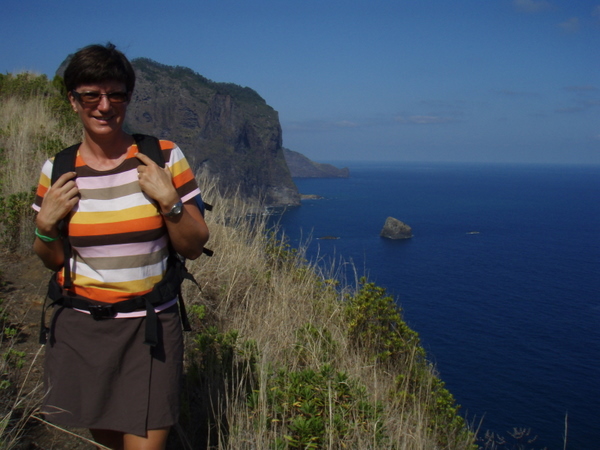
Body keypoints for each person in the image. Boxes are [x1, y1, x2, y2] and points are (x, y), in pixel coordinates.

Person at [32, 43, 209, 450]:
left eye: (116, 95)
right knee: (108, 441)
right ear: (72, 100)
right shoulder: (58, 169)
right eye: (90, 95)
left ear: (128, 98)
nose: (104, 106)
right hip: (82, 330)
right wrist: (45, 226)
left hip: (150, 328)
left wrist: (170, 202)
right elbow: (53, 260)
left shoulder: (163, 157)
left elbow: (194, 245)